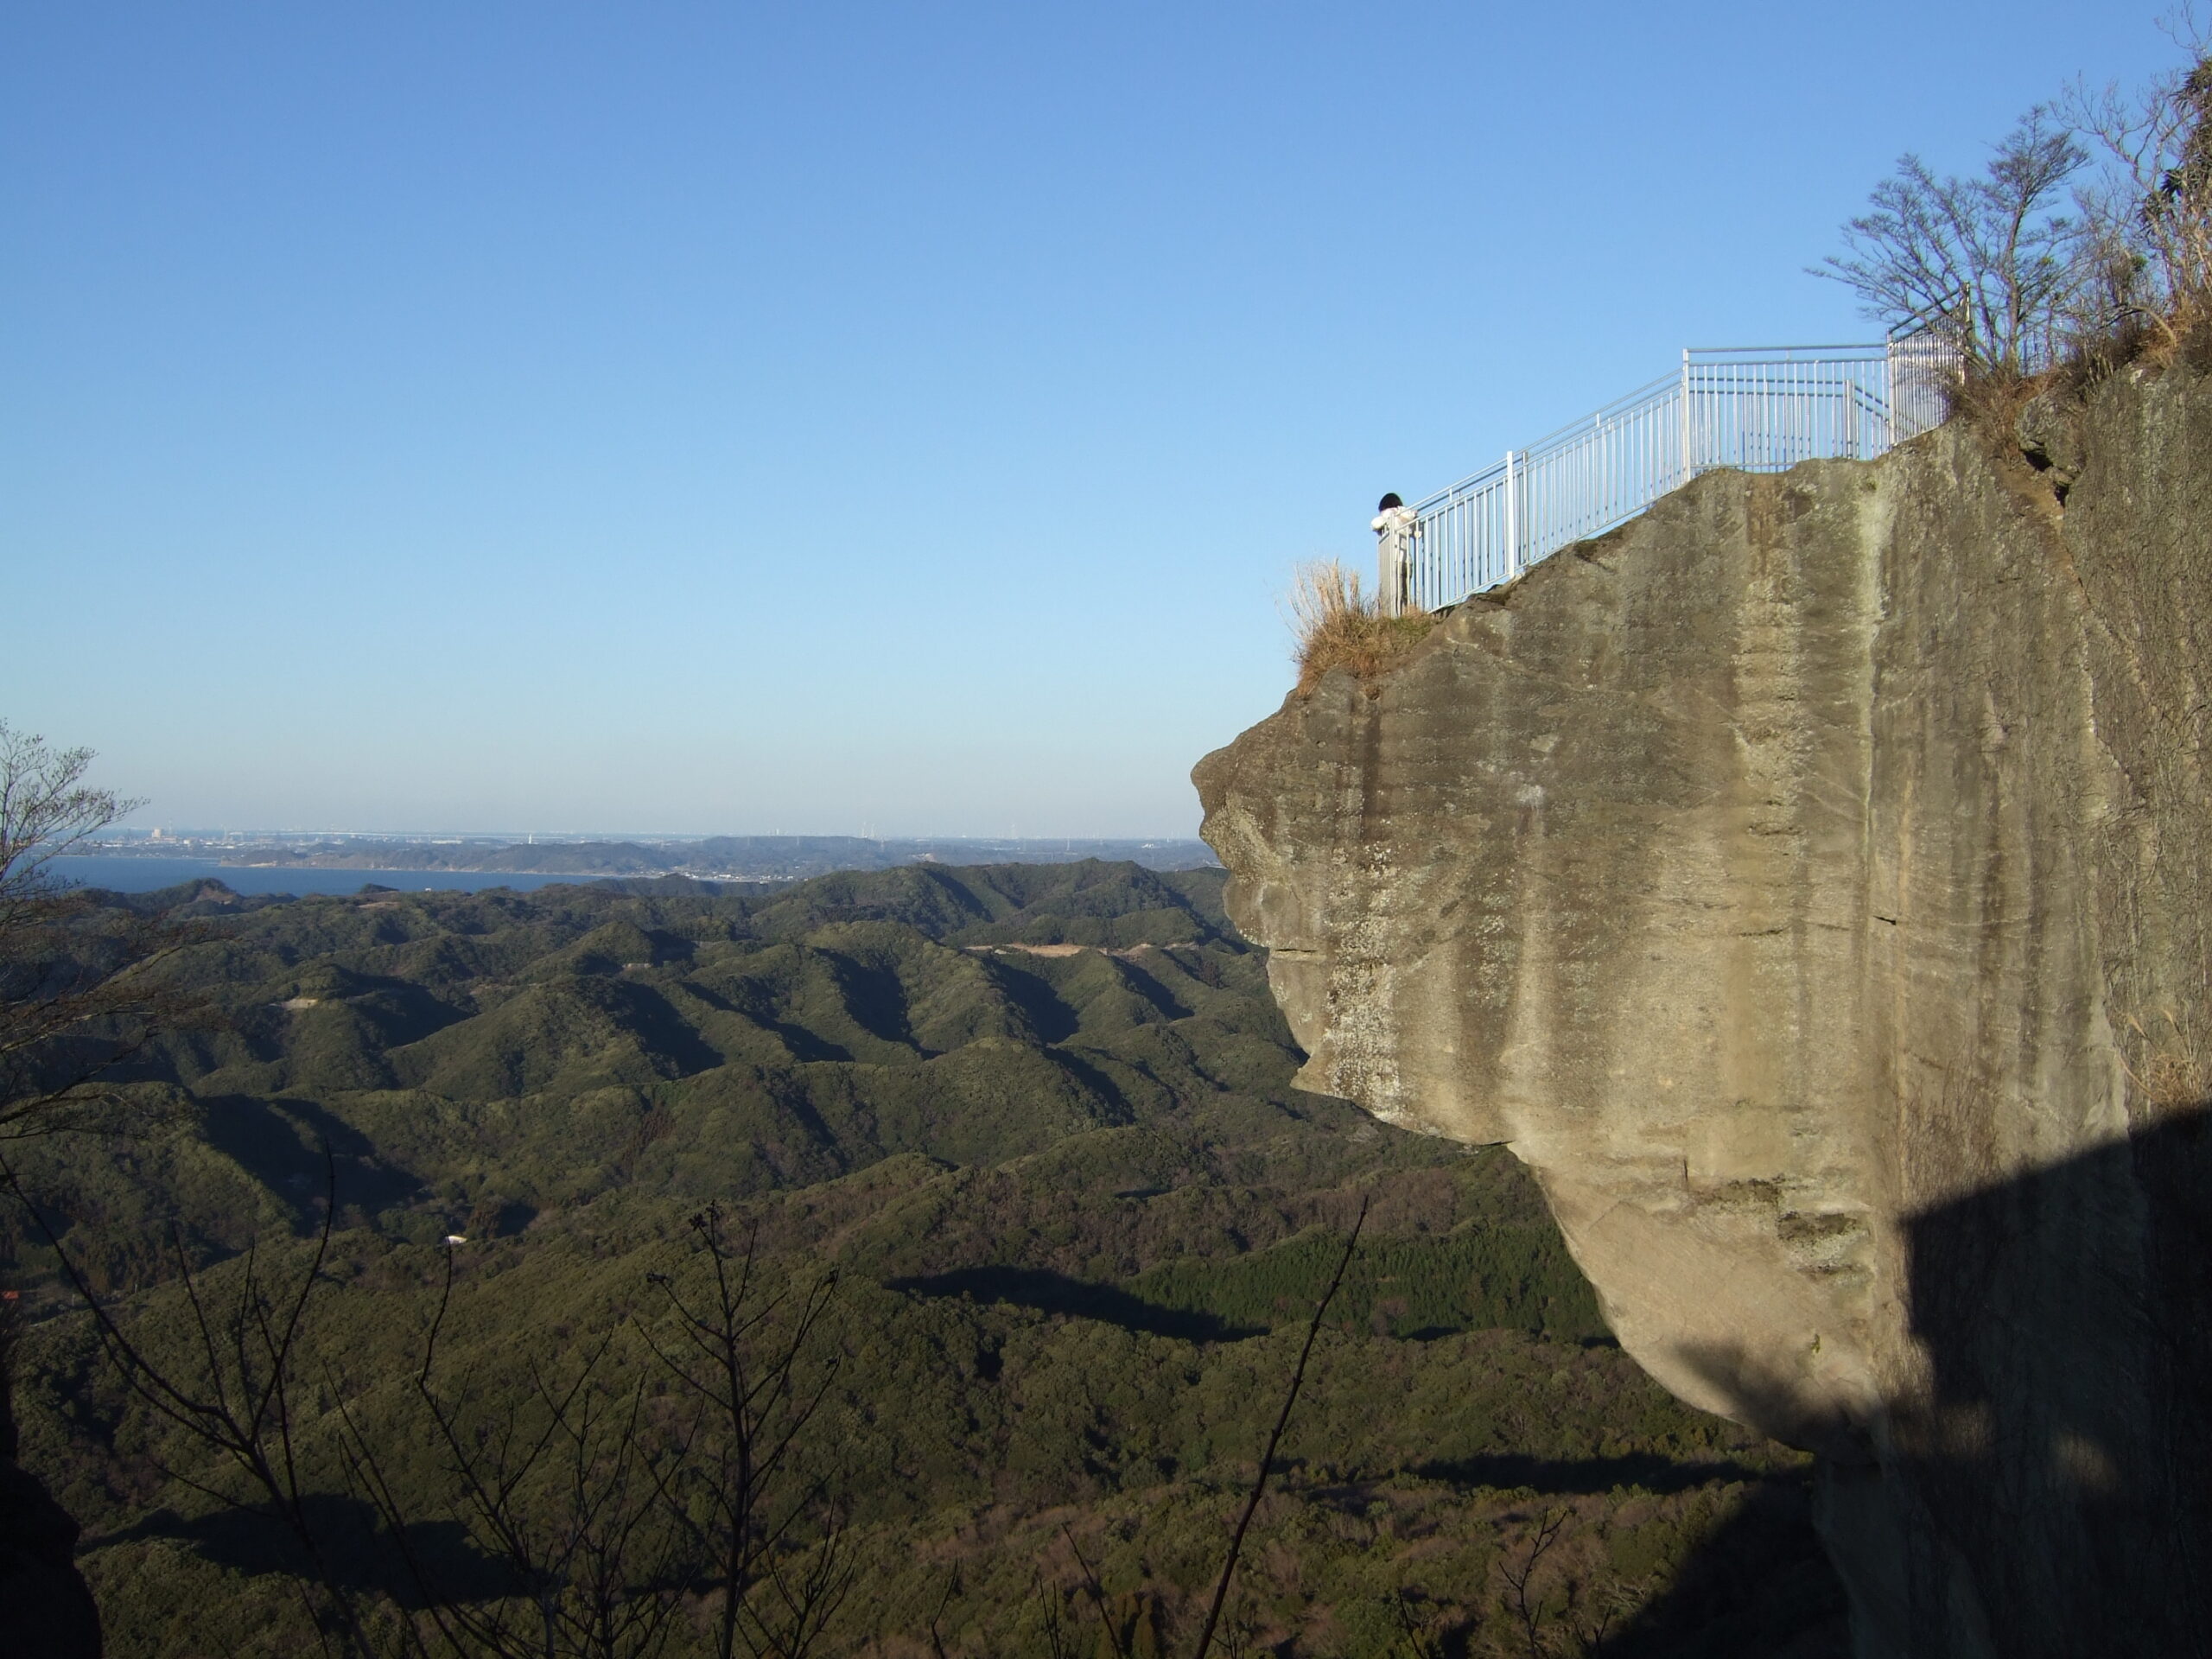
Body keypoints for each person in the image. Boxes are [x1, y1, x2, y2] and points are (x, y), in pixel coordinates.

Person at [1371, 493, 1417, 615]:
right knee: (1405, 592)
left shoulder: (1387, 515)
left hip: (1394, 559)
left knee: (1394, 592)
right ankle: (1407, 614)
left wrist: (1386, 517)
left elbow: (1375, 524)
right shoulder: (1405, 516)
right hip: (1408, 561)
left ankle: (1395, 616)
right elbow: (1417, 531)